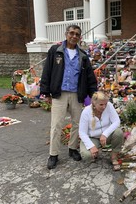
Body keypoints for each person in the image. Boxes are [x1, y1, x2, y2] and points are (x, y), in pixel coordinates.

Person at [40, 24, 98, 169]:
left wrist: (93, 96)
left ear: (80, 37)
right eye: (71, 33)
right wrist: (46, 92)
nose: (74, 36)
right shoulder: (56, 51)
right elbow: (47, 72)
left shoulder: (83, 56)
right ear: (66, 34)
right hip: (59, 94)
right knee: (56, 125)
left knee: (77, 124)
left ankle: (72, 149)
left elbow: (90, 77)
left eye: (77, 34)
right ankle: (53, 154)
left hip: (76, 95)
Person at [79, 91, 124, 170]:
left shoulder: (109, 106)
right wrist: (91, 146)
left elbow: (117, 121)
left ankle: (114, 157)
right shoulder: (86, 112)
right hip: (93, 137)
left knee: (118, 132)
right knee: (87, 156)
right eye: (101, 105)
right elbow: (82, 132)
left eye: (105, 104)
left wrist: (105, 134)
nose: (104, 107)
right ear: (94, 103)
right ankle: (95, 151)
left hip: (107, 136)